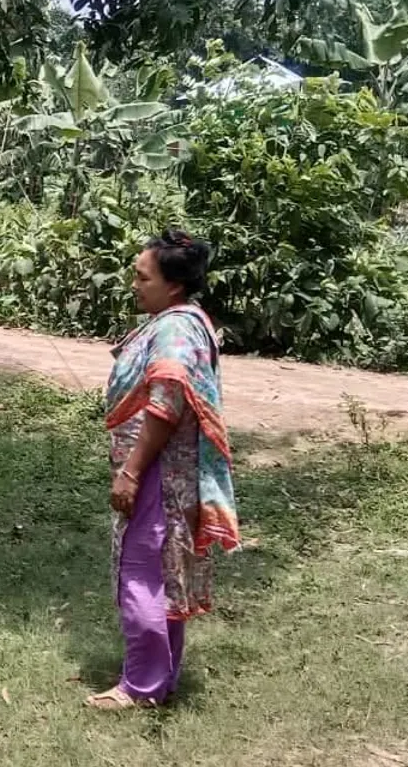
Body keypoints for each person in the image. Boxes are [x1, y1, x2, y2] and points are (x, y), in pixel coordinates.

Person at [86, 228, 240, 709]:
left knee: (141, 572)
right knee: (164, 571)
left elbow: (166, 402)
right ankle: (160, 678)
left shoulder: (175, 329)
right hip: (170, 471)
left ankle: (141, 687)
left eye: (142, 276)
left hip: (158, 470)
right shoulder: (185, 319)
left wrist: (131, 471)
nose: (134, 283)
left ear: (172, 285)